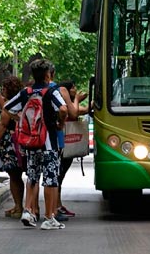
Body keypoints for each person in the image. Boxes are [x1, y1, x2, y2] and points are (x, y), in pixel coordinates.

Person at [0, 59, 67, 230]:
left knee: (32, 177)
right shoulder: (51, 91)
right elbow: (63, 109)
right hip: (49, 142)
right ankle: (49, 217)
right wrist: (60, 124)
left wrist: (20, 121)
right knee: (50, 179)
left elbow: (7, 107)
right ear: (48, 74)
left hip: (31, 143)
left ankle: (28, 211)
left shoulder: (26, 92)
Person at [0, 75, 25, 219]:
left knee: (14, 176)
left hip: (10, 143)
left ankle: (18, 207)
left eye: (4, 88)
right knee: (18, 175)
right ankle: (19, 205)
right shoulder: (22, 102)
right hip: (21, 141)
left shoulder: (9, 105)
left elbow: (3, 125)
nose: (2, 90)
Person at [55, 80, 88, 221]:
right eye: (73, 87)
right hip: (62, 141)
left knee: (59, 176)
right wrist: (76, 99)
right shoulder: (63, 98)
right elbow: (74, 113)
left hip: (63, 142)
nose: (75, 89)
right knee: (58, 175)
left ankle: (58, 204)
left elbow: (79, 110)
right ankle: (56, 207)